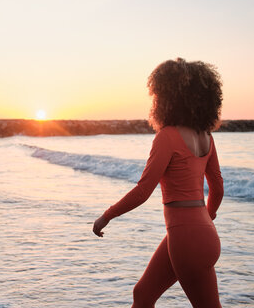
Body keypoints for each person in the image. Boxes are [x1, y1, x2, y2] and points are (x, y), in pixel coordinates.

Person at [93, 58, 224, 307]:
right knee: (142, 295)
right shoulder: (207, 137)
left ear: (167, 98)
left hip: (186, 238)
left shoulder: (167, 137)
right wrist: (209, 215)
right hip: (202, 233)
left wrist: (107, 215)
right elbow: (217, 188)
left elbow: (143, 190)